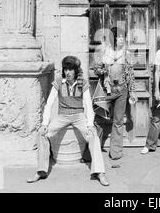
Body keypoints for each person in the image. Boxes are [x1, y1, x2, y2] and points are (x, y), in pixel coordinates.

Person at [27, 56, 109, 186]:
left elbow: (88, 104)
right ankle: (41, 170)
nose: (68, 72)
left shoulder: (83, 83)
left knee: (93, 135)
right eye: (66, 69)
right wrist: (44, 124)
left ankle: (99, 172)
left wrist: (89, 125)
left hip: (79, 116)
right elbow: (49, 103)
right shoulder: (59, 82)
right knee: (41, 133)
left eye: (71, 70)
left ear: (76, 71)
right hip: (63, 116)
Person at [94, 27, 137, 160]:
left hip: (121, 90)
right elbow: (96, 70)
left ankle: (115, 152)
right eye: (118, 37)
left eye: (123, 37)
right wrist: (102, 70)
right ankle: (93, 150)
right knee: (99, 119)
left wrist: (132, 91)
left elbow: (130, 74)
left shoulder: (126, 54)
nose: (121, 39)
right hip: (106, 89)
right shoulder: (104, 52)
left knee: (118, 121)